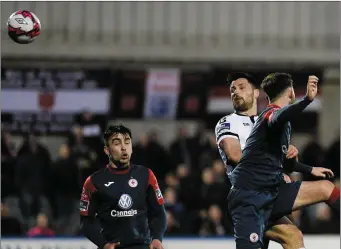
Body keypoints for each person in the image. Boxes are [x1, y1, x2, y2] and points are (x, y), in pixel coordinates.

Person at [228, 73, 340, 249]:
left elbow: (284, 165)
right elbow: (277, 117)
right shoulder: (270, 115)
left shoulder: (280, 126)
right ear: (291, 92)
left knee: (324, 191)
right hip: (249, 200)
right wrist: (307, 100)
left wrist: (309, 169)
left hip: (271, 193)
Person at [215, 72, 304, 249]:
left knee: (294, 236)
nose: (235, 92)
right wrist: (276, 172)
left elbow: (284, 163)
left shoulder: (269, 120)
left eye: (241, 88)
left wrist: (290, 157)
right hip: (247, 197)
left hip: (268, 195)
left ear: (256, 93)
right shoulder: (227, 122)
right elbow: (234, 154)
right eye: (232, 89)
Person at [80, 124, 167, 249]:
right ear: (107, 150)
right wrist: (104, 244)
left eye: (127, 142)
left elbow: (159, 213)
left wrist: (157, 238)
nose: (123, 148)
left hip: (143, 246)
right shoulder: (93, 181)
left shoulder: (146, 175)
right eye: (117, 143)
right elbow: (86, 222)